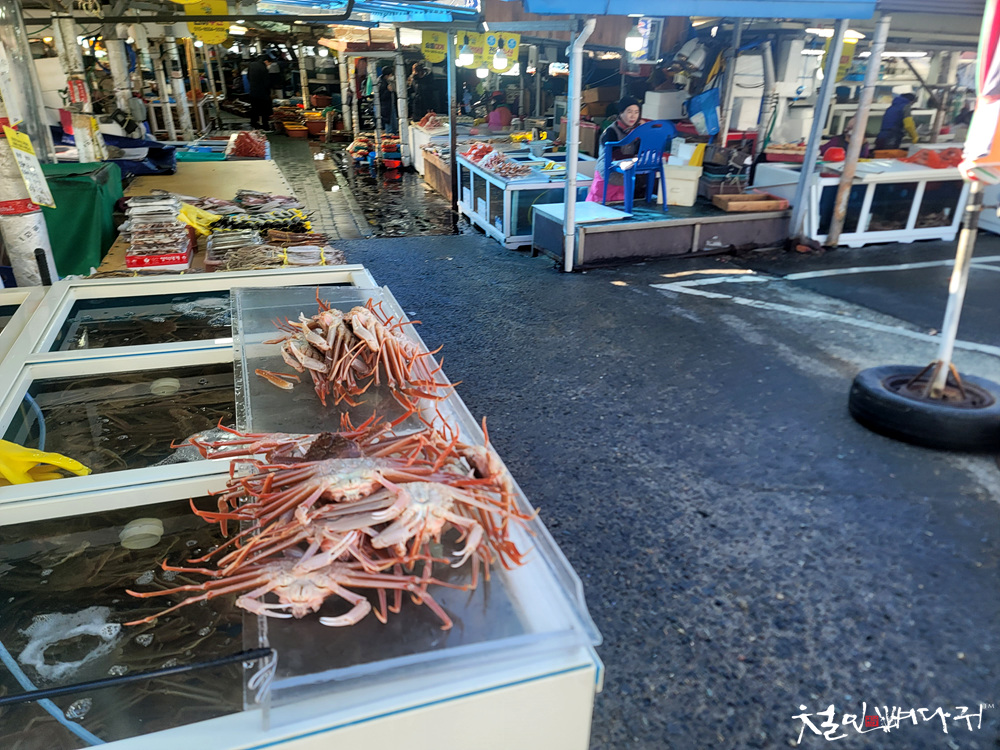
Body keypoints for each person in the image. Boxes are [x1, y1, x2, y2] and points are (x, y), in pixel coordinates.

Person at [586, 96, 642, 204]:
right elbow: (615, 156)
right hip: (607, 177)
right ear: (621, 113)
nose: (633, 116)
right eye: (629, 111)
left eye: (636, 112)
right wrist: (636, 158)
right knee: (597, 206)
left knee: (619, 208)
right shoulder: (611, 131)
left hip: (624, 178)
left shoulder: (636, 132)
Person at [246, 55, 272, 130]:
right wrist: (268, 91)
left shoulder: (251, 65)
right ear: (266, 61)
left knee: (254, 109)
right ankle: (265, 126)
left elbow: (248, 77)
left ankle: (254, 124)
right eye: (269, 63)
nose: (269, 65)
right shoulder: (263, 68)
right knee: (265, 110)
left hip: (253, 91)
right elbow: (266, 82)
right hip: (263, 92)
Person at [376, 68, 397, 134]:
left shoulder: (388, 81)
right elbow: (381, 97)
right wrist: (388, 91)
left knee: (394, 124)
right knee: (389, 125)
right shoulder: (381, 83)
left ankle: (393, 135)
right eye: (391, 75)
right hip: (386, 107)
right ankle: (389, 137)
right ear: (387, 75)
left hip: (391, 105)